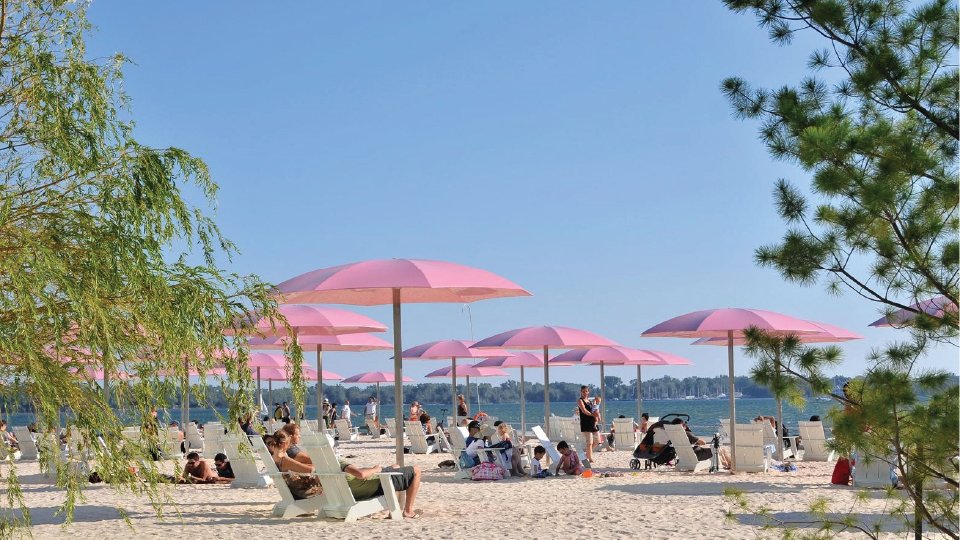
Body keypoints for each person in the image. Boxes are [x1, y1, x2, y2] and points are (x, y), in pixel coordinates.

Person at [339, 457, 422, 519]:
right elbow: (361, 475)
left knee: (395, 466)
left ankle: (392, 512)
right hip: (377, 485)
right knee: (416, 470)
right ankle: (408, 511)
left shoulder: (328, 468)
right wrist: (375, 469)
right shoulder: (339, 462)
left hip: (353, 493)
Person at [266, 432, 323, 500]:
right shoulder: (284, 459)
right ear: (284, 444)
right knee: (330, 481)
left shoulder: (275, 457)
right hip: (301, 492)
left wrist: (314, 465)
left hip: (293, 490)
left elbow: (299, 465)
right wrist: (320, 465)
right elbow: (310, 470)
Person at [577, 385, 599, 463]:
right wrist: (593, 415)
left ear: (588, 392)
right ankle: (590, 458)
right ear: (581, 392)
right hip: (585, 423)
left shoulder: (590, 401)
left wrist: (596, 417)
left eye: (586, 391)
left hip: (592, 422)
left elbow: (595, 409)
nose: (585, 393)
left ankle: (587, 454)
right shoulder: (580, 401)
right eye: (583, 391)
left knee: (597, 441)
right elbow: (584, 411)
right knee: (589, 442)